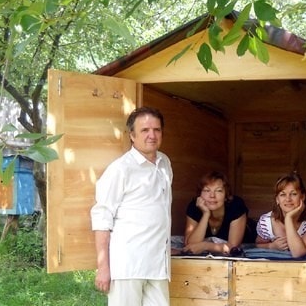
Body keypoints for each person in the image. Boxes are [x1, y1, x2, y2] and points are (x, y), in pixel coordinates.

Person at [90, 106, 173, 306]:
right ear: (132, 136)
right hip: (128, 265)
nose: (152, 135)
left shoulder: (165, 163)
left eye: (157, 129)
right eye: (145, 130)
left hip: (159, 266)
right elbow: (102, 217)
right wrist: (103, 267)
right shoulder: (120, 169)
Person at [255, 172, 306, 258]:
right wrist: (271, 246)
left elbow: (299, 252)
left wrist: (289, 218)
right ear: (277, 199)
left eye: (294, 194)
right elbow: (257, 245)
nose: (288, 199)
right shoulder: (266, 222)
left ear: (302, 196)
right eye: (283, 194)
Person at [183, 171, 254, 255]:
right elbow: (190, 245)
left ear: (226, 196)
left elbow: (233, 247)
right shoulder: (194, 207)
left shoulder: (236, 206)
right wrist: (206, 214)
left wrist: (205, 246)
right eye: (206, 190)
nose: (212, 196)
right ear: (200, 195)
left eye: (218, 191)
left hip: (252, 239)